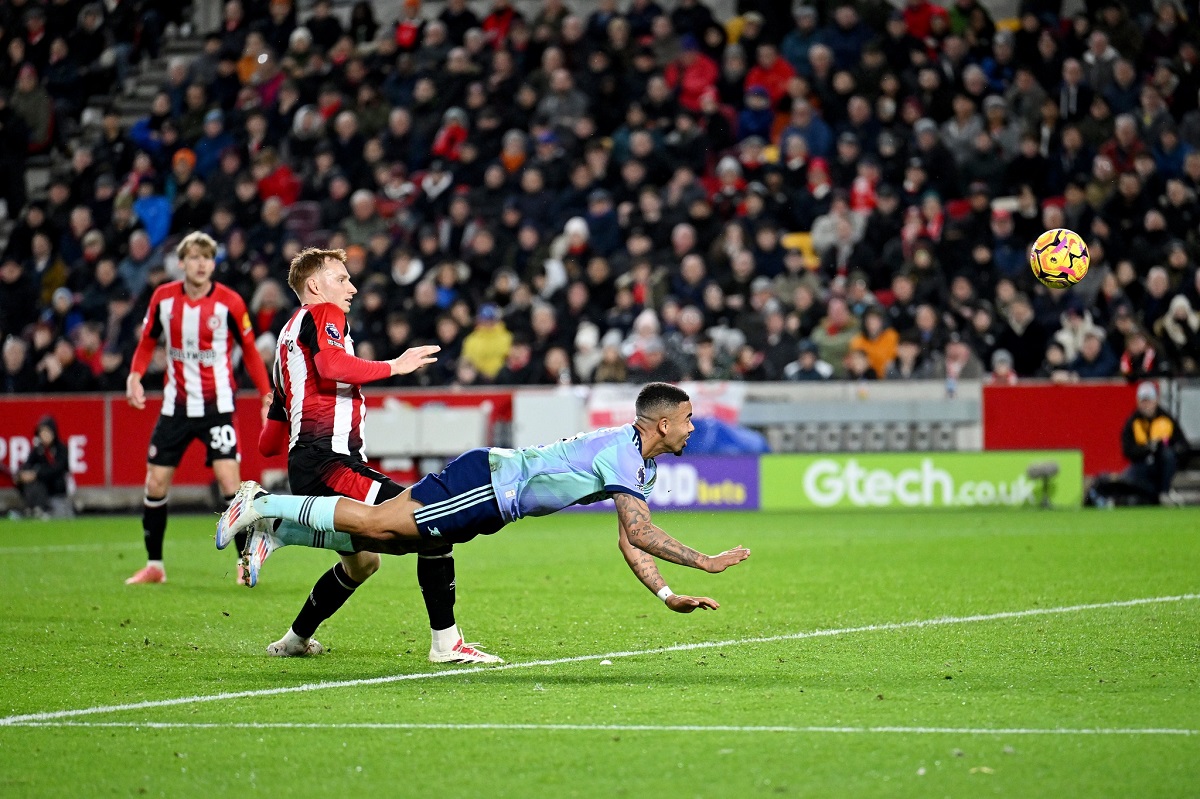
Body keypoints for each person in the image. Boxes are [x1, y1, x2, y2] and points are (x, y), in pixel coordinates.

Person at [219, 383, 750, 615]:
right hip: (488, 484)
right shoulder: (623, 452)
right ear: (662, 422)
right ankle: (261, 504)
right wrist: (705, 561)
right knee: (381, 526)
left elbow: (630, 544)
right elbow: (639, 532)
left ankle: (280, 530)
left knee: (387, 542)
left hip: (492, 496)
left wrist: (666, 594)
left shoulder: (640, 464)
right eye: (686, 419)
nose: (691, 427)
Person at [256, 247, 499, 664]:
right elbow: (333, 366)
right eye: (342, 278)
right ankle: (446, 643)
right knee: (430, 519)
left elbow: (268, 444)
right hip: (331, 461)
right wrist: (395, 366)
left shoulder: (285, 343)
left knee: (363, 564)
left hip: (307, 463)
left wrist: (276, 408)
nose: (351, 287)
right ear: (315, 285)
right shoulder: (323, 315)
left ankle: (295, 638)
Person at [123, 232, 272, 585]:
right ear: (182, 263)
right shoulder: (163, 299)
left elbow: (250, 352)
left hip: (216, 407)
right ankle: (155, 566)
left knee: (228, 482)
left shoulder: (230, 303)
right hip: (175, 407)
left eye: (207, 257)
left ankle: (243, 563)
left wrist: (266, 395)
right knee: (156, 482)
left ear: (213, 263)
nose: (201, 263)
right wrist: (134, 376)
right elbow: (146, 343)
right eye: (194, 257)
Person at [1120, 381, 1189, 506]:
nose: (1146, 405)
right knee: (1130, 478)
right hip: (1142, 464)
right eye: (1143, 401)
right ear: (1138, 402)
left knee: (1168, 455)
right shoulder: (1132, 422)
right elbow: (1127, 450)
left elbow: (1183, 445)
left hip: (1162, 465)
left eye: (1149, 400)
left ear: (1156, 400)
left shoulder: (1166, 419)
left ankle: (1164, 492)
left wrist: (1166, 448)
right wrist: (1147, 448)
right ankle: (1153, 496)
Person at [9, 416, 70, 519]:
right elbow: (27, 464)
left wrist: (36, 475)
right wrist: (21, 475)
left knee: (37, 480)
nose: (44, 435)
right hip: (41, 487)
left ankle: (42, 508)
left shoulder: (61, 449)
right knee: (29, 481)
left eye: (47, 432)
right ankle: (34, 508)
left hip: (56, 488)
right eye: (42, 432)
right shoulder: (38, 450)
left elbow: (57, 470)